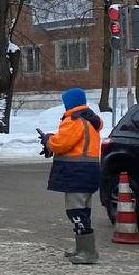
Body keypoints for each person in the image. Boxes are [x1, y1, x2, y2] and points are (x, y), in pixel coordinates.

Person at [42, 87, 104, 264]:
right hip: (89, 172)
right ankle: (82, 248)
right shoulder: (90, 120)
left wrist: (49, 140)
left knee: (76, 212)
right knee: (84, 210)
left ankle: (87, 252)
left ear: (69, 102)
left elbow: (61, 144)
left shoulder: (73, 120)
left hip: (76, 172)